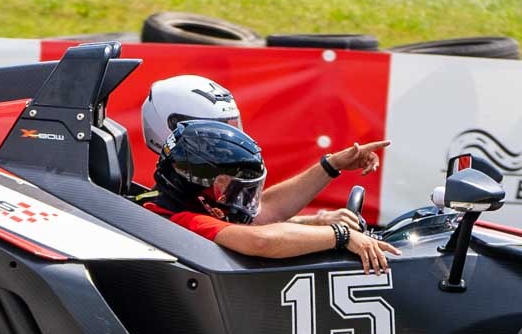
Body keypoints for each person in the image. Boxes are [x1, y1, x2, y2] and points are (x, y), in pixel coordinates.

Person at [146, 120, 399, 275]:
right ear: (200, 183)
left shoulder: (171, 203)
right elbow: (261, 241)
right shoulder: (184, 220)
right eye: (233, 189)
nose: (239, 199)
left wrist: (331, 165)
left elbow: (264, 211)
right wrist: (341, 236)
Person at [140, 75, 387, 227]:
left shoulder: (199, 193)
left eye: (231, 127)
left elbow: (255, 217)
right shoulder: (173, 207)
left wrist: (331, 168)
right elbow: (258, 239)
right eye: (218, 130)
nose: (231, 139)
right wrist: (335, 236)